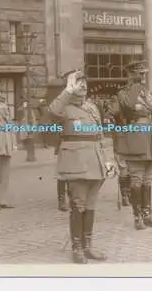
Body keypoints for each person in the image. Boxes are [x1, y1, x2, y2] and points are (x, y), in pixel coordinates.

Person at [48, 69, 116, 264]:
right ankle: (76, 248)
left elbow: (101, 136)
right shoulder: (64, 107)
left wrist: (108, 160)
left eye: (85, 82)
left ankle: (88, 247)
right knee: (78, 204)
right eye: (78, 82)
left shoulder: (92, 107)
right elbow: (52, 111)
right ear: (70, 86)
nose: (84, 85)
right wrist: (67, 91)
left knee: (91, 205)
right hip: (75, 162)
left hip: (96, 161)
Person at [113, 60, 152, 230]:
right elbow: (126, 108)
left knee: (148, 180)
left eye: (144, 73)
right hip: (136, 138)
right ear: (130, 74)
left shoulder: (148, 93)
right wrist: (134, 86)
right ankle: (137, 218)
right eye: (139, 73)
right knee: (136, 179)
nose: (143, 76)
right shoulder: (124, 93)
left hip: (151, 139)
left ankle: (148, 215)